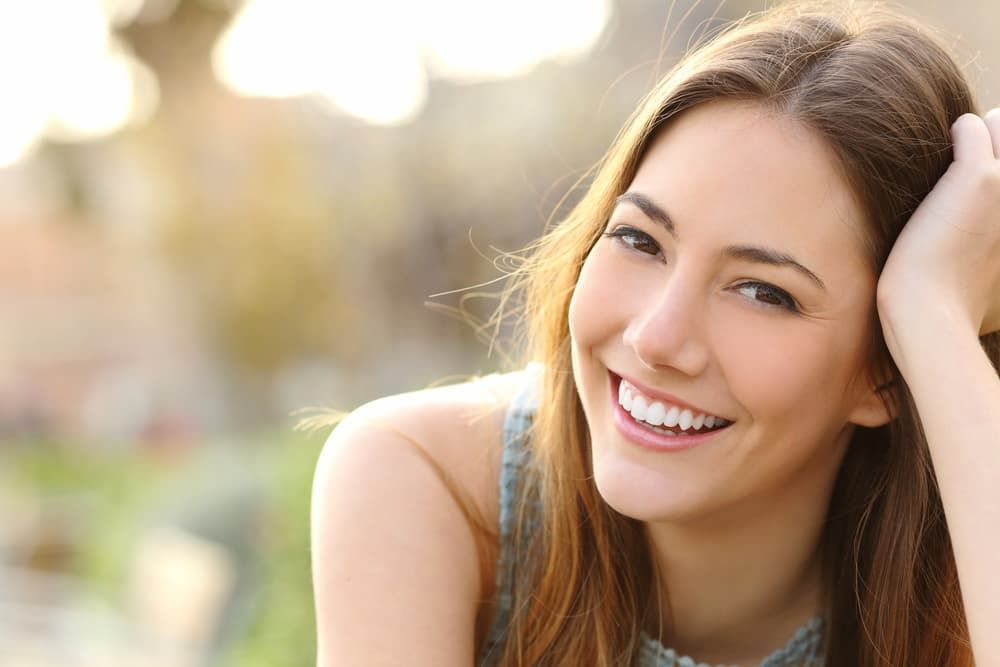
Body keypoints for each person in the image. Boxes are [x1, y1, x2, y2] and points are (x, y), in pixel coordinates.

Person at [310, 2, 1000, 665]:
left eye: (764, 291)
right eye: (640, 240)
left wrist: (936, 321)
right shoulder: (426, 482)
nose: (656, 337)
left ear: (885, 371)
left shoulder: (963, 563)